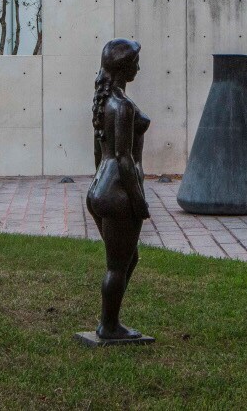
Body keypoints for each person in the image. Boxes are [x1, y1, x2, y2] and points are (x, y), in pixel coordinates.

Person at [85, 37, 150, 342]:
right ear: (125, 67)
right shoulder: (120, 106)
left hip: (101, 188)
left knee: (127, 259)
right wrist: (139, 200)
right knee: (117, 265)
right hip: (118, 192)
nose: (139, 65)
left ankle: (111, 319)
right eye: (135, 60)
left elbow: (101, 152)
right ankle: (108, 326)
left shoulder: (105, 101)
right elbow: (124, 158)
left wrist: (97, 183)